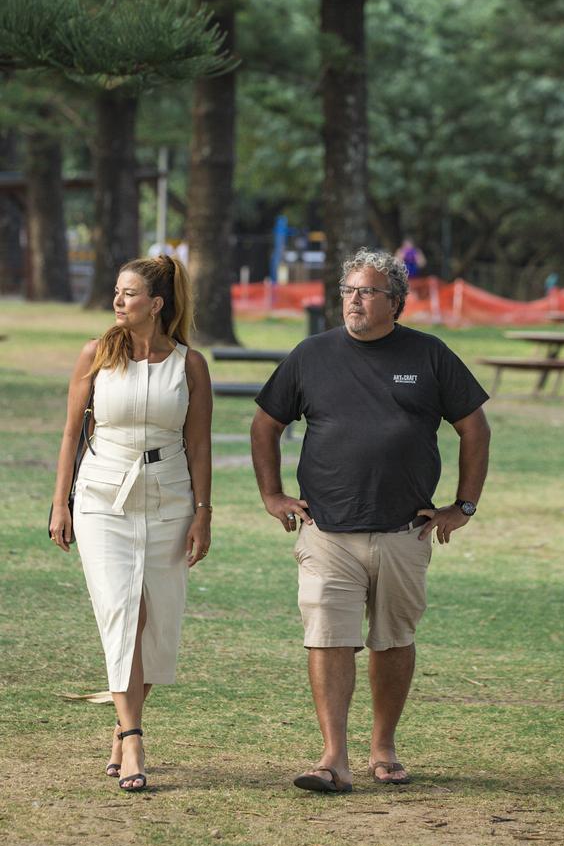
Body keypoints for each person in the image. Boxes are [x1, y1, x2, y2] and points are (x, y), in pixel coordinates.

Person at [250, 247, 490, 794]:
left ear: (396, 302)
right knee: (327, 636)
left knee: (392, 640)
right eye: (348, 291)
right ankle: (334, 757)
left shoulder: (430, 356)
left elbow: (474, 428)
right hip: (326, 529)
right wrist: (273, 495)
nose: (354, 301)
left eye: (367, 292)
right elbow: (265, 424)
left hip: (406, 529)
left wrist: (464, 505)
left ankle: (384, 745)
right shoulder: (311, 355)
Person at [50, 255, 213, 792]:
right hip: (101, 497)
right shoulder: (96, 355)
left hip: (169, 498)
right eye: (117, 293)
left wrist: (203, 513)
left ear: (157, 304)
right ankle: (136, 736)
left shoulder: (189, 365)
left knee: (154, 620)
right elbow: (72, 434)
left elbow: (198, 444)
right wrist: (60, 503)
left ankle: (121, 729)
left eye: (129, 294)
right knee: (120, 610)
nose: (118, 301)